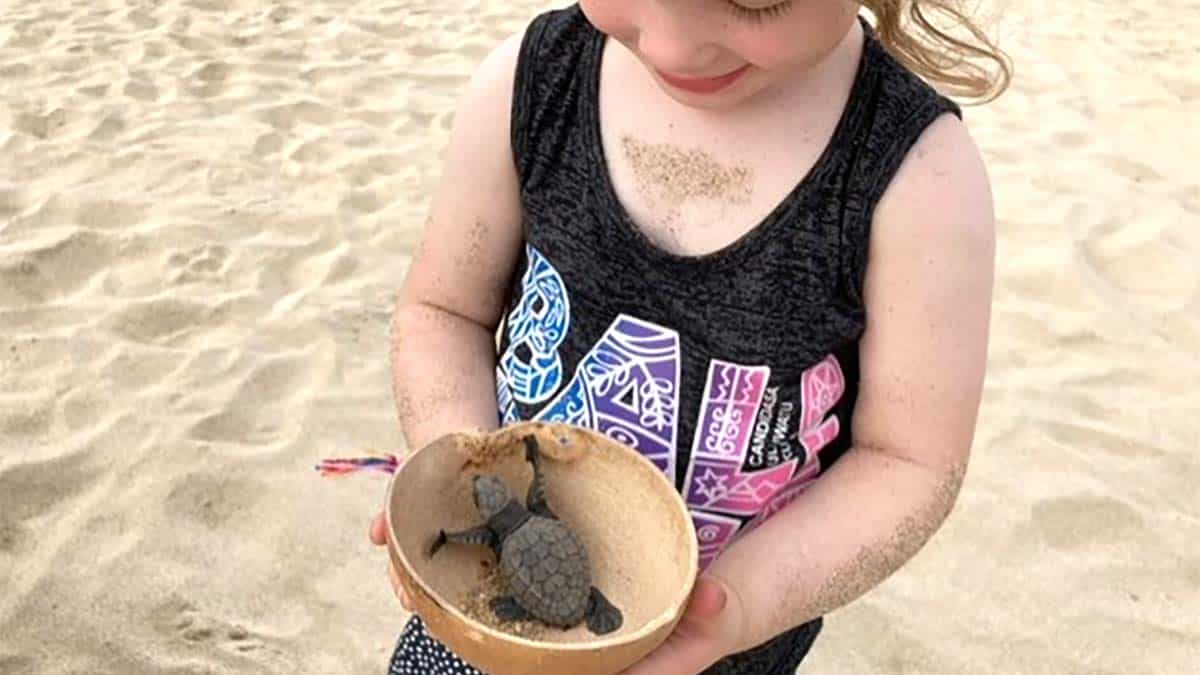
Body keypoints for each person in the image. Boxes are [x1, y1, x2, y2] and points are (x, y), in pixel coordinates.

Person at [368, 1, 1010, 672]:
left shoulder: (922, 182)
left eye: (756, 0)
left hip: (722, 654)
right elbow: (444, 311)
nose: (672, 47)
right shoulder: (527, 85)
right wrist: (451, 467)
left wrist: (737, 602)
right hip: (485, 633)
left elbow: (910, 462)